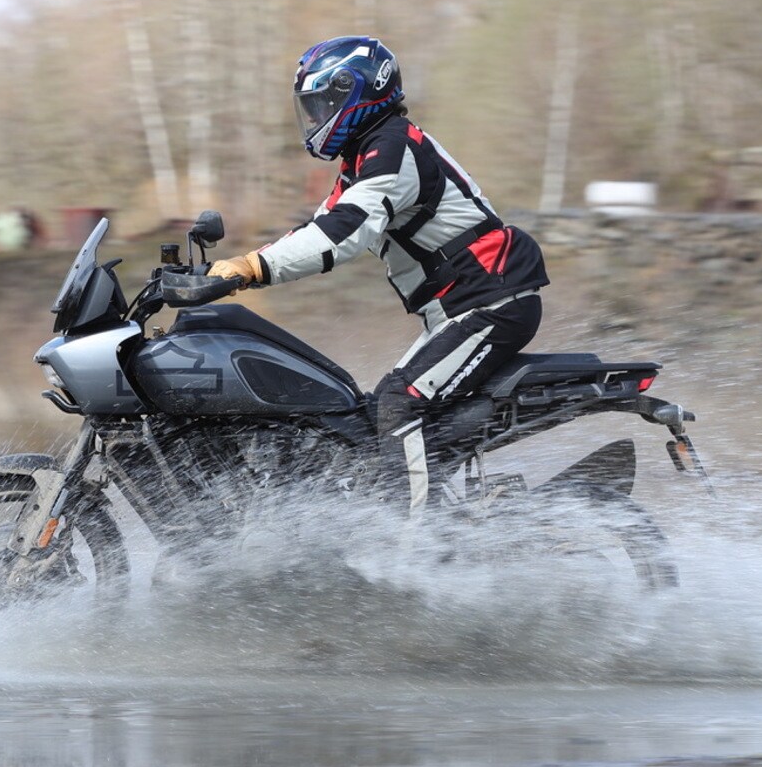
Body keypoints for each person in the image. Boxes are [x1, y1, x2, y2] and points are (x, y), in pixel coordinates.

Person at [207, 36, 549, 511]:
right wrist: (225, 269)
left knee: (399, 402)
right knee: (371, 419)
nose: (314, 117)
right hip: (463, 307)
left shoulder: (392, 149)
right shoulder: (367, 157)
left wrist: (251, 269)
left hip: (493, 301)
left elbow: (342, 234)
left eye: (320, 104)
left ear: (355, 92)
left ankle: (413, 539)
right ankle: (450, 516)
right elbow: (319, 227)